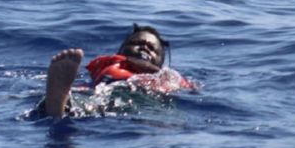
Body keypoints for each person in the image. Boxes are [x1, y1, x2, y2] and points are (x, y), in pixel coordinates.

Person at [39, 23, 193, 121]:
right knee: (85, 101)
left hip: (145, 102)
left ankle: (58, 110)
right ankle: (60, 103)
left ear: (160, 63)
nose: (144, 48)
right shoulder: (113, 66)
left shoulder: (166, 76)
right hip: (106, 91)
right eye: (137, 43)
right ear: (120, 51)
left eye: (152, 49)